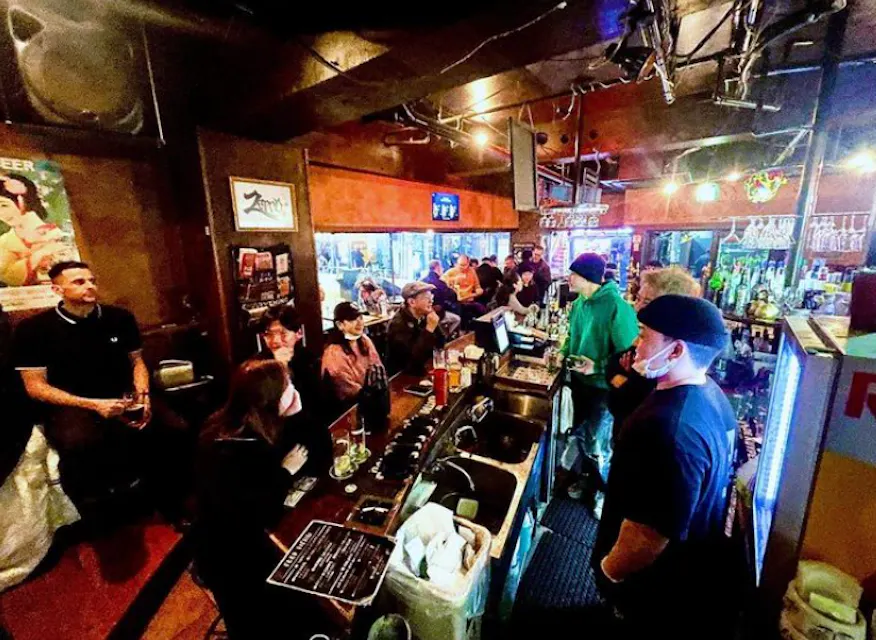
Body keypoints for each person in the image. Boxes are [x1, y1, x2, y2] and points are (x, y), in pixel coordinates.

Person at [594, 295, 738, 639]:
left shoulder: (666, 429)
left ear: (675, 352)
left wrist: (609, 571)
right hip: (686, 573)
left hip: (650, 586)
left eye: (644, 335)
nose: (635, 343)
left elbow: (647, 537)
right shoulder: (712, 395)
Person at [12, 261, 186, 518]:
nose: (90, 286)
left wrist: (143, 395)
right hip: (72, 405)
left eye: (92, 280)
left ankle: (169, 502)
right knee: (82, 443)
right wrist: (94, 405)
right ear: (57, 290)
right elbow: (35, 386)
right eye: (79, 282)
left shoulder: (119, 318)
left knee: (175, 430)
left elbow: (136, 362)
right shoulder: (33, 329)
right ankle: (104, 513)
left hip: (124, 396)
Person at [195, 359, 331, 639]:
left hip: (231, 544)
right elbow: (258, 512)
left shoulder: (240, 421)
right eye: (288, 387)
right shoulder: (236, 448)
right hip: (233, 561)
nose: (294, 389)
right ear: (269, 399)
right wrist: (284, 472)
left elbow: (319, 449)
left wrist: (300, 413)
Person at [561, 253, 639, 502]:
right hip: (578, 383)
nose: (568, 278)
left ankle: (603, 496)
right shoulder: (579, 303)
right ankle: (586, 480)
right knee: (581, 435)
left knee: (598, 443)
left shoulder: (617, 306)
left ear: (589, 278)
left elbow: (629, 355)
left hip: (603, 388)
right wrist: (562, 354)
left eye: (573, 274)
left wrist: (597, 366)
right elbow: (570, 337)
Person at [606, 267, 701, 430]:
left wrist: (624, 380)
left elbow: (623, 403)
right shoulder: (649, 340)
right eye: (638, 299)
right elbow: (612, 365)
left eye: (647, 302)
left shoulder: (664, 350)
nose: (637, 308)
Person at [0, 174, 72, 287]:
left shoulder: (56, 234)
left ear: (21, 201)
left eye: (4, 206)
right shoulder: (4, 241)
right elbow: (9, 276)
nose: (1, 214)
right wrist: (38, 255)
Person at [256, 305, 322, 418]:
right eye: (268, 334)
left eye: (283, 334)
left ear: (299, 334)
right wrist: (280, 367)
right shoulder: (257, 366)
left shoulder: (310, 360)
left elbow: (316, 404)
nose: (275, 341)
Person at [321, 302, 383, 405]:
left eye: (360, 318)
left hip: (371, 397)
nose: (359, 323)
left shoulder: (364, 340)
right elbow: (348, 388)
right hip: (351, 405)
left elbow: (377, 366)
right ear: (340, 325)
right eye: (352, 319)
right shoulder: (333, 352)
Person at [387, 282, 444, 376]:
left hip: (425, 368)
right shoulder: (398, 325)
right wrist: (429, 329)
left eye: (431, 297)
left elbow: (441, 344)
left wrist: (435, 326)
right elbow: (412, 362)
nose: (431, 301)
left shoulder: (424, 315)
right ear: (412, 302)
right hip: (403, 377)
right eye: (427, 298)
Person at [442, 254, 486, 326]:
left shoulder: (472, 271)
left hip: (470, 299)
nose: (462, 267)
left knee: (482, 310)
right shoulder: (451, 272)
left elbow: (477, 286)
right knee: (460, 311)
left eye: (464, 265)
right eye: (460, 265)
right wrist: (453, 280)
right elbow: (442, 282)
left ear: (468, 263)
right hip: (457, 301)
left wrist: (478, 290)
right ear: (456, 264)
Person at [422, 260, 462, 336]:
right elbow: (452, 296)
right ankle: (447, 337)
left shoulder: (422, 280)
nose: (443, 269)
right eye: (441, 267)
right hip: (436, 314)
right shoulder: (439, 283)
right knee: (457, 318)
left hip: (424, 313)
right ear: (437, 268)